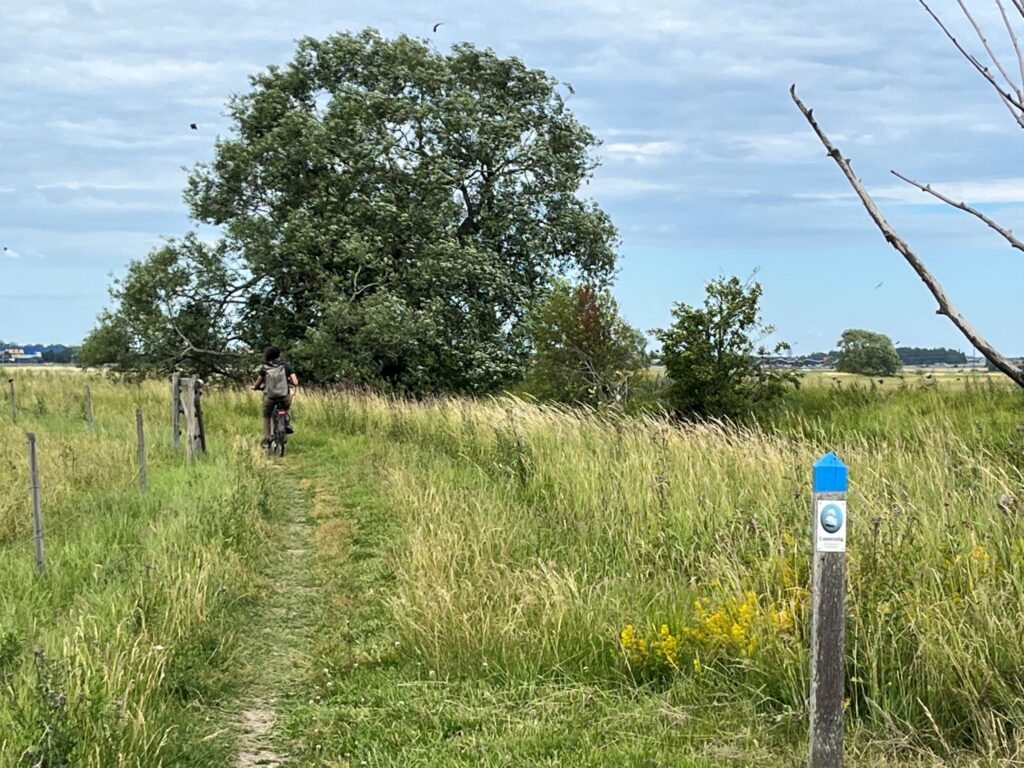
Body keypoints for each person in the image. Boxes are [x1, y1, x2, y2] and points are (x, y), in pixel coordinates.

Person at [253, 345, 298, 447]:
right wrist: (290, 383)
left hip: (270, 397)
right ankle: (286, 424)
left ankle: (267, 439)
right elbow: (295, 381)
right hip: (284, 396)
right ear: (279, 355)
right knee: (286, 407)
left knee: (266, 416)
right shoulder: (285, 366)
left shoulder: (264, 368)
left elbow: (258, 381)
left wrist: (255, 387)